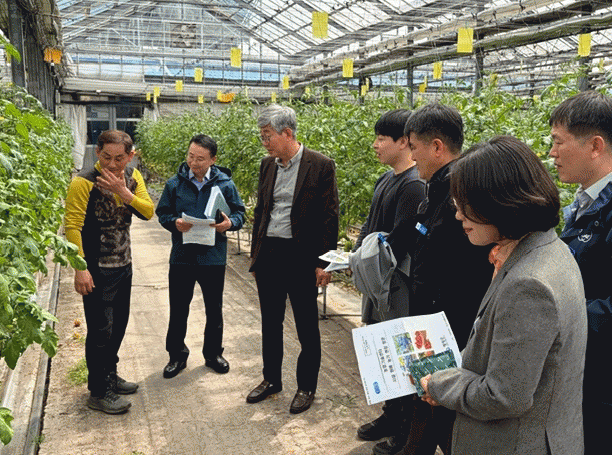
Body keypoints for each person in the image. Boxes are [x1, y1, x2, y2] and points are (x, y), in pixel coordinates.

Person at [420, 136, 587, 454]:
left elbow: (503, 396)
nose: (458, 216)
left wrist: (440, 385)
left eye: (465, 205)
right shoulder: (550, 250)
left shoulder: (529, 285)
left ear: (500, 202)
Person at [384, 103, 493, 455]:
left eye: (414, 147)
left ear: (436, 147)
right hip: (434, 322)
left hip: (451, 327)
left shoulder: (462, 194)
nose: (412, 156)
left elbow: (465, 271)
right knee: (428, 403)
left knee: (445, 412)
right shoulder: (437, 189)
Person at [246, 104, 339, 414]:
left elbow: (329, 217)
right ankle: (271, 379)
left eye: (267, 136)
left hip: (301, 257)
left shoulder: (320, 165)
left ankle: (306, 386)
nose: (264, 143)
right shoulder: (267, 165)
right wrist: (256, 256)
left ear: (287, 133)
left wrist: (324, 263)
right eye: (262, 137)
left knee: (306, 325)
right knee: (270, 322)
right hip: (270, 253)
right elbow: (262, 211)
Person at [64, 130, 154, 414]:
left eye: (119, 158)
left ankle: (110, 376)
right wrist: (80, 268)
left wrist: (124, 193)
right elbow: (72, 226)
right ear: (97, 153)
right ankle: (99, 391)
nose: (113, 165)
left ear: (130, 156)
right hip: (97, 269)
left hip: (123, 266)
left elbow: (148, 211)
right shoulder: (83, 182)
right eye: (106, 157)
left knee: (118, 327)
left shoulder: (133, 177)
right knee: (100, 331)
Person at [353, 110, 426, 445]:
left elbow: (397, 243)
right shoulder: (386, 180)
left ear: (403, 142)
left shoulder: (413, 186)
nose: (375, 144)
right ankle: (390, 413)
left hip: (395, 285)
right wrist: (357, 255)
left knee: (400, 354)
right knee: (383, 350)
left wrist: (363, 261)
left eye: (381, 138)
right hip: (377, 279)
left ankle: (403, 426)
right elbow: (370, 227)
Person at [549, 90, 612, 454]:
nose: (552, 153)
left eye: (559, 142)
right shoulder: (585, 203)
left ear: (595, 146)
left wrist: (562, 316)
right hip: (582, 370)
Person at [156, 134, 245, 379]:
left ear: (213, 160)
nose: (193, 163)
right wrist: (174, 222)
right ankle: (176, 355)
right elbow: (162, 213)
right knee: (178, 308)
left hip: (212, 257)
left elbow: (239, 213)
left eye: (200, 159)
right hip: (182, 256)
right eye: (190, 156)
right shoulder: (174, 184)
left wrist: (229, 224)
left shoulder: (225, 184)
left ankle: (213, 354)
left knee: (214, 309)